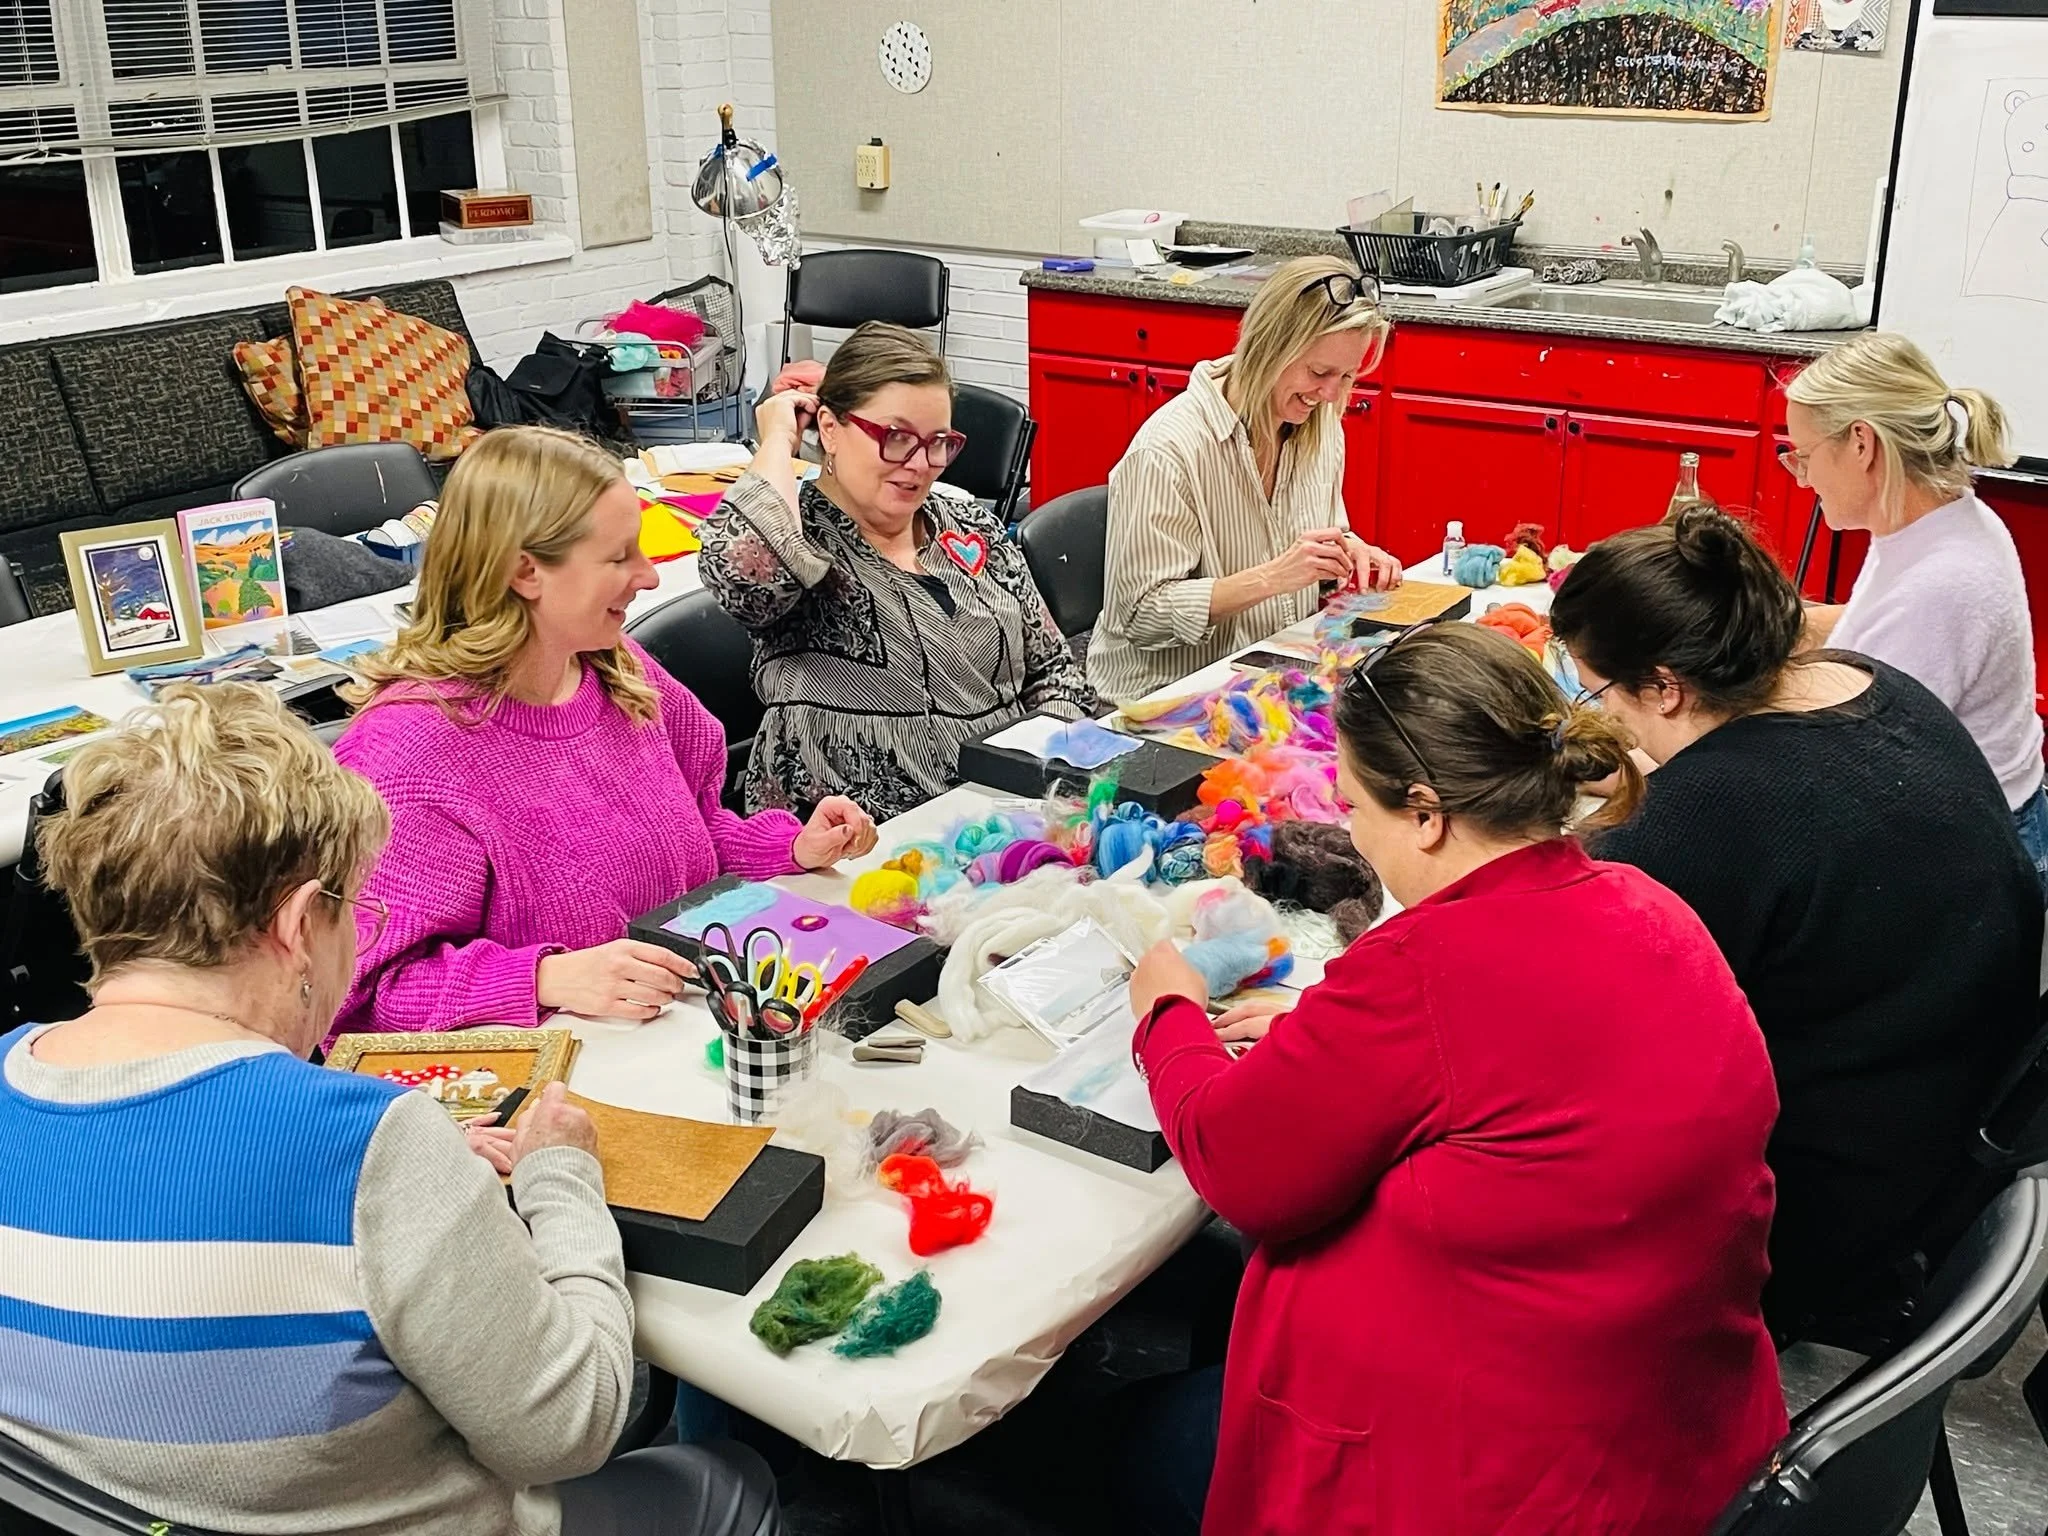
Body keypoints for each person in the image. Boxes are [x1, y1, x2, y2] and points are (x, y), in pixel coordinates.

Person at [0, 683, 782, 1536]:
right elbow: (571, 1430)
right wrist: (562, 1175)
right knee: (729, 1474)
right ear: (299, 924)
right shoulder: (370, 1147)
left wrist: (422, 1191)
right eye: (358, 913)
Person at [1121, 623, 1786, 1535]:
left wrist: (1169, 1012)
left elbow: (1239, 1167)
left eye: (1355, 808)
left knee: (1111, 1449)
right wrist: (1331, 1038)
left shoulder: (1427, 967)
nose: (1349, 828)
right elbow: (1508, 1078)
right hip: (1669, 1427)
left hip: (1496, 1478)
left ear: (1427, 813)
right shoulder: (1648, 905)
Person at [1550, 507, 2041, 1341]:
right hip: (1944, 1141)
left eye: (1601, 693)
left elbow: (1566, 1034)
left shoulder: (1710, 815)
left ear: (1666, 685)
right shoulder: (1874, 685)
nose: (1607, 716)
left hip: (1828, 1210)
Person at [336, 426, 876, 1038]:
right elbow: (365, 998)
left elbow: (692, 836)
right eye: (620, 557)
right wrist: (545, 979)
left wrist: (788, 849)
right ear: (525, 572)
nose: (648, 577)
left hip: (680, 1033)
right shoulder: (410, 755)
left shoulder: (615, 669)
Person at [699, 323, 1092, 820]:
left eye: (938, 442)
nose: (921, 464)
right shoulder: (805, 543)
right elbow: (741, 575)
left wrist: (1038, 777)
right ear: (832, 428)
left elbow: (1055, 673)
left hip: (1002, 818)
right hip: (849, 846)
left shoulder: (973, 529)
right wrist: (779, 438)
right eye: (896, 436)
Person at [1783, 331, 2047, 892]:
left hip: (1975, 855)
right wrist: (1765, 629)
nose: (1800, 477)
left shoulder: (1942, 585)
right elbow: (1867, 624)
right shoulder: (1931, 523)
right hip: (1963, 812)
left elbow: (1835, 764)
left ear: (1862, 444)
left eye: (1804, 456)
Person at [1088, 254, 1404, 705]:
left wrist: (1348, 552)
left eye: (1347, 376)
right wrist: (1273, 577)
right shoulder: (1169, 451)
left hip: (1265, 679)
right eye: (1319, 373)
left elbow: (1322, 535)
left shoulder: (1320, 424)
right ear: (1268, 347)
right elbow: (1141, 615)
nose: (1332, 394)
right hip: (1165, 700)